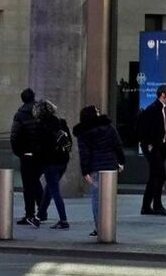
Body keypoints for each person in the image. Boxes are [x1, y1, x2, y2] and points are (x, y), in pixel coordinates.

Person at [75, 105, 124, 240]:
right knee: (109, 198)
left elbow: (84, 153)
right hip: (110, 165)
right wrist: (120, 161)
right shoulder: (108, 127)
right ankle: (108, 227)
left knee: (97, 199)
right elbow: (117, 144)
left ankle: (100, 227)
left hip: (95, 167)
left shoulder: (83, 131)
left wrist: (85, 171)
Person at [136, 84, 166, 216]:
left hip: (161, 148)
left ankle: (146, 206)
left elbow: (164, 128)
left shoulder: (165, 110)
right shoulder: (152, 109)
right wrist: (149, 143)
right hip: (153, 148)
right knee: (159, 174)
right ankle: (156, 205)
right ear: (163, 95)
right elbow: (144, 128)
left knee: (156, 176)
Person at [33, 95, 72, 228]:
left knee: (54, 191)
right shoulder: (61, 122)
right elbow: (69, 143)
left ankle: (63, 220)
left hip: (49, 163)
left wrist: (38, 162)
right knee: (49, 188)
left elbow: (39, 148)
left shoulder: (40, 126)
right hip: (63, 161)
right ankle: (38, 217)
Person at [10, 88, 43, 225]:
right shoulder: (41, 112)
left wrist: (19, 152)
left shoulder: (20, 115)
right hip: (41, 153)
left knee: (28, 185)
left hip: (27, 154)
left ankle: (30, 213)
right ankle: (42, 211)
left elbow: (14, 136)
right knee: (35, 181)